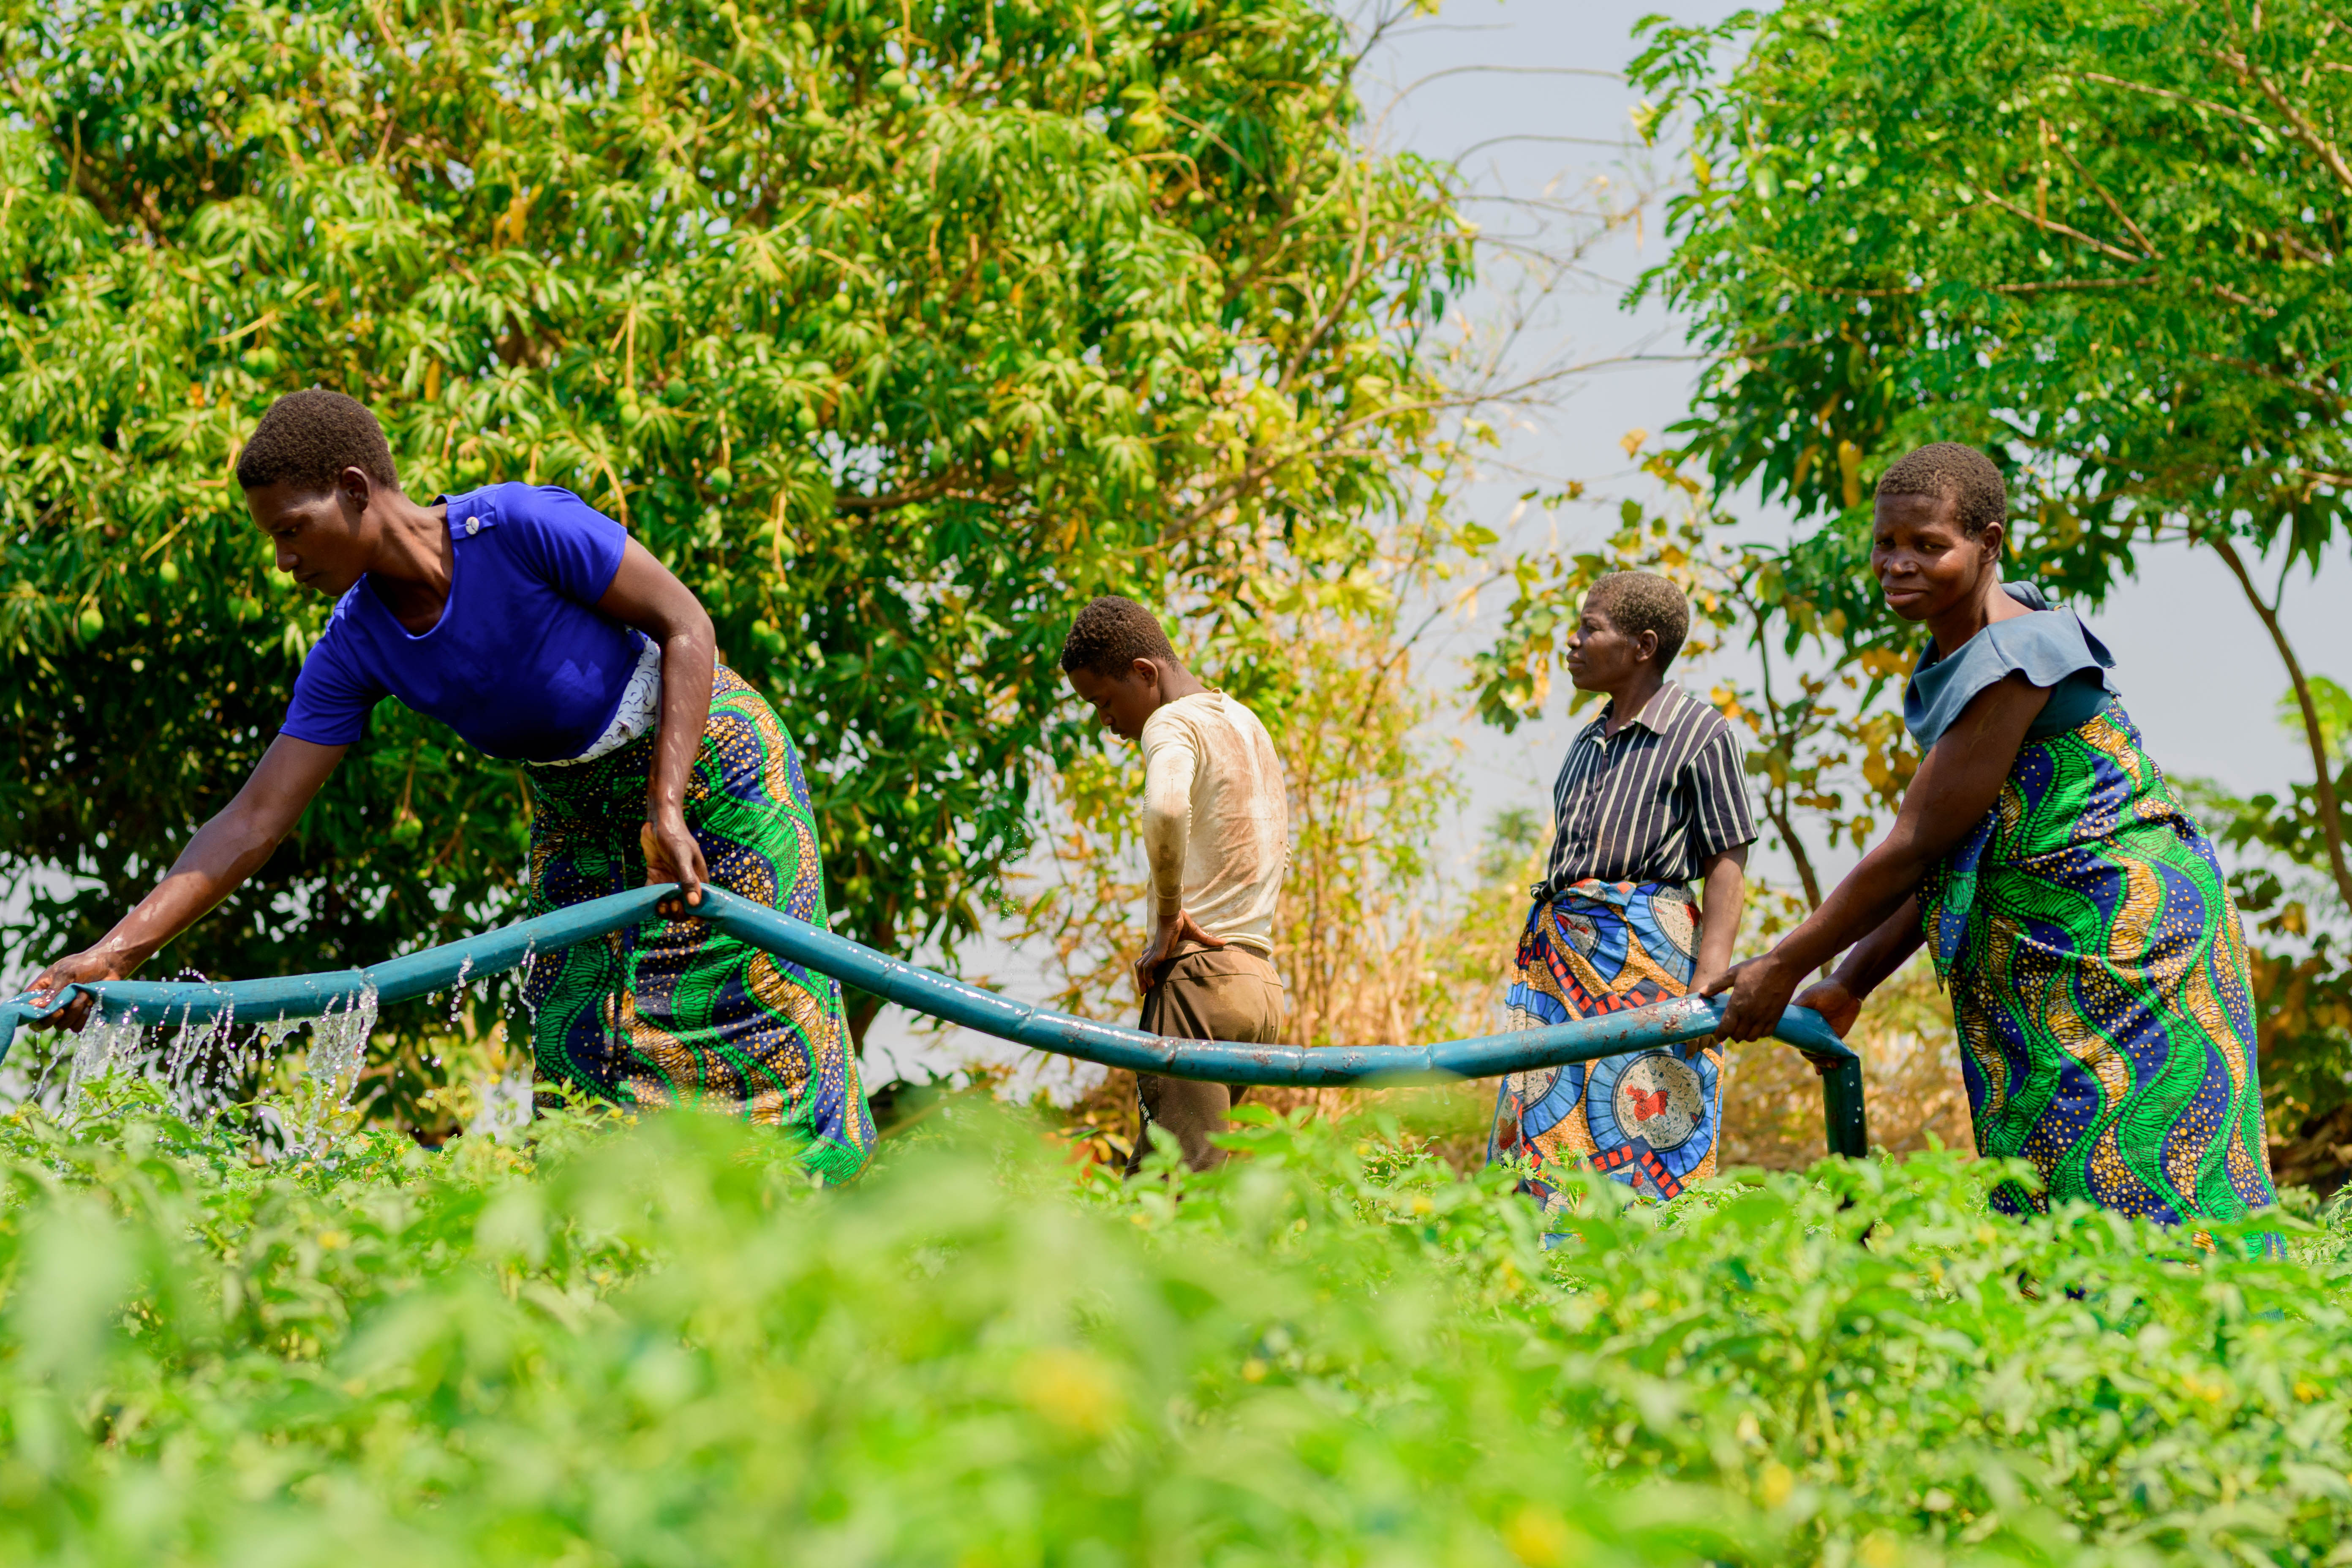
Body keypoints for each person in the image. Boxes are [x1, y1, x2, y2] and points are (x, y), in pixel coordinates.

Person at [27, 390, 874, 1180]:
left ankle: (807, 1254)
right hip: (577, 814)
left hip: (712, 774)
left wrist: (666, 805)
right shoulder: (356, 641)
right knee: (585, 1042)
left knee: (760, 1017)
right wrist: (109, 955)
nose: (283, 560)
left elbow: (687, 622)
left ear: (356, 489)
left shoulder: (517, 527)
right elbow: (254, 818)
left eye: (293, 528)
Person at [1708, 443, 2279, 1226]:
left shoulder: (2019, 657)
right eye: (1886, 543)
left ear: (1990, 544)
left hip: (2126, 943)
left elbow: (1916, 843)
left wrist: (1782, 965)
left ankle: (2195, 1347)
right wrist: (1849, 983)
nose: (1897, 564)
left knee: (2145, 1171)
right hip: (2048, 956)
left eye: (1928, 546)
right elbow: (1961, 850)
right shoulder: (1968, 649)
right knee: (2060, 1183)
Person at [1491, 571, 1756, 1211]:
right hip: (1561, 963)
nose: (1572, 643)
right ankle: (1538, 1284)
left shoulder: (1701, 732)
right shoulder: (1587, 741)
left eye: (1589, 629)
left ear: (1642, 645)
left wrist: (1709, 979)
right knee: (1541, 1122)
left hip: (1644, 959)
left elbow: (1728, 858)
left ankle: (1640, 1290)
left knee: (1644, 1125)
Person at [1059, 596, 1288, 1173]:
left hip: (1199, 985)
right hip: (1259, 988)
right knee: (1161, 1173)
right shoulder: (1244, 721)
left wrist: (1169, 917)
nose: (1104, 722)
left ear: (1144, 674)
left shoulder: (1173, 721)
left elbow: (1164, 810)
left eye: (1104, 701)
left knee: (1182, 1188)